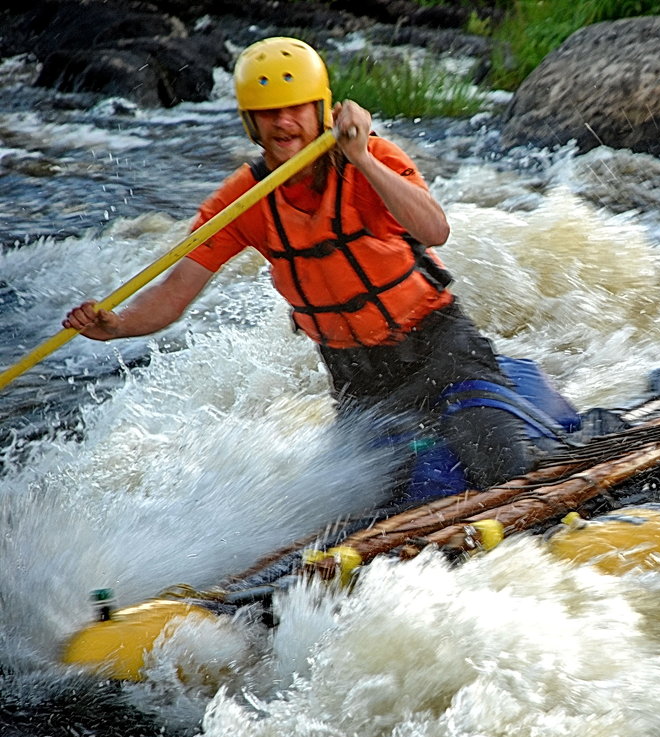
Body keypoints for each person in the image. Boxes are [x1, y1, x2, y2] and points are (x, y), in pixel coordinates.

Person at [64, 36, 535, 491]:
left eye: (296, 107)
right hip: (360, 381)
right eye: (268, 112)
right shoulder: (241, 202)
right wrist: (117, 324)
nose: (284, 122)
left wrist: (362, 158)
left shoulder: (371, 157)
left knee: (497, 463)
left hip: (441, 349)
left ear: (321, 110)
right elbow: (173, 294)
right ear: (251, 122)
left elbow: (436, 230)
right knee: (379, 504)